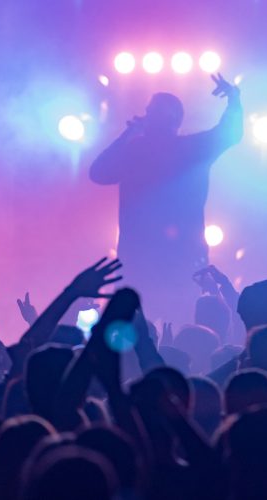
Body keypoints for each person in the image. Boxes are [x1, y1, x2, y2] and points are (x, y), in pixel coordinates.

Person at [90, 75, 243, 322]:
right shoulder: (180, 149)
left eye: (153, 111)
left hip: (148, 257)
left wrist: (127, 135)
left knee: (139, 323)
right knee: (173, 321)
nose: (148, 115)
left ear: (171, 118)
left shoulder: (154, 150)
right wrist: (234, 101)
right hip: (171, 256)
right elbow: (98, 173)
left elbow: (98, 172)